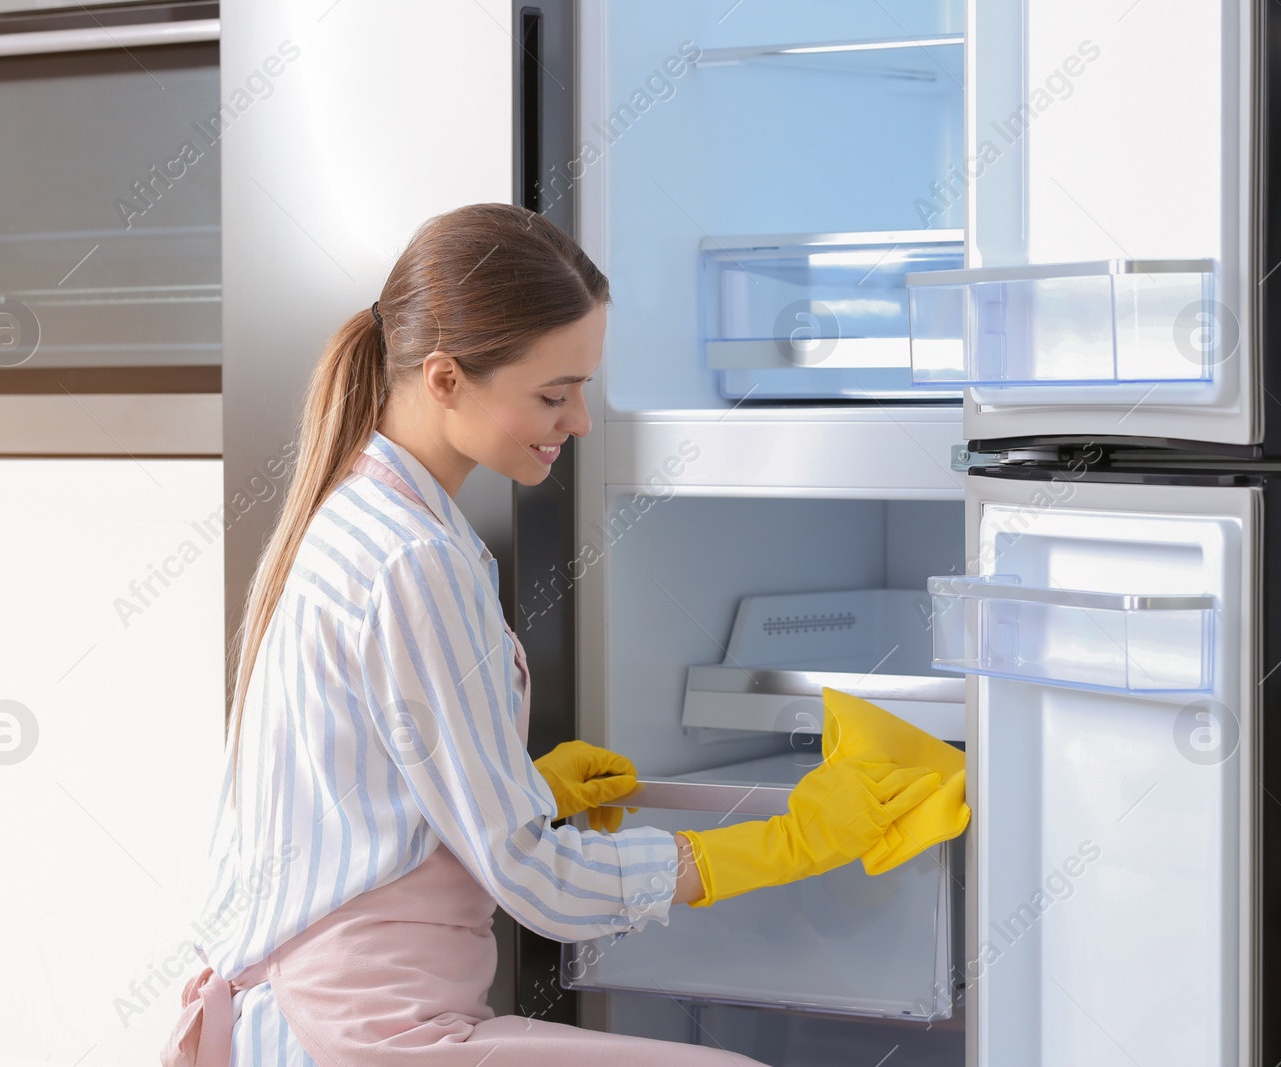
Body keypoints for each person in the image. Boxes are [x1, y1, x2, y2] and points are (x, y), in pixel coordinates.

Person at [160, 203, 942, 1067]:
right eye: (552, 393)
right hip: (359, 1032)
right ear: (446, 377)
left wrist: (520, 788)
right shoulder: (411, 560)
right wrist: (788, 841)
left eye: (583, 388)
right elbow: (540, 887)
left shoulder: (369, 516)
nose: (580, 422)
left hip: (310, 1016)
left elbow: (365, 790)